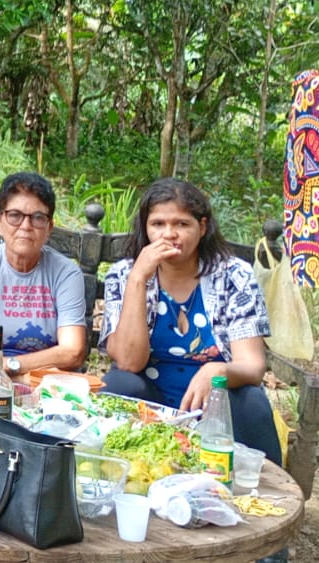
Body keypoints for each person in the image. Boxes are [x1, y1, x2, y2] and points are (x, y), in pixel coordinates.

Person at [101, 178, 281, 466]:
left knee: (252, 402)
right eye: (157, 224)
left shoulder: (234, 276)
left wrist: (218, 370)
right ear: (145, 229)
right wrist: (138, 279)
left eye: (182, 224)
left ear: (202, 227)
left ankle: (263, 495)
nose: (169, 234)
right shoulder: (124, 274)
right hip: (151, 402)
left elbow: (253, 366)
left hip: (216, 404)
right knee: (118, 383)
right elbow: (128, 362)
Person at [0, 172, 88, 383]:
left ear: (49, 227)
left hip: (41, 377)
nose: (25, 226)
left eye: (38, 217)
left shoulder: (66, 273)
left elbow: (72, 351)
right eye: (15, 215)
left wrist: (8, 367)